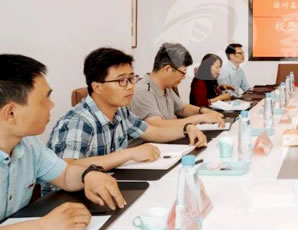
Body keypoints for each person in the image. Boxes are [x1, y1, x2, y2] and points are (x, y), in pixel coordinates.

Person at [0, 54, 126, 230]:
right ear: (10, 113)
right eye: (45, 99)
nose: (52, 105)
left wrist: (88, 175)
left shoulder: (29, 144)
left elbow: (65, 174)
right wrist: (43, 227)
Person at [46, 48, 207, 175]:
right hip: (71, 200)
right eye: (121, 80)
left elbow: (154, 132)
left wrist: (186, 129)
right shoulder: (77, 122)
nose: (130, 86)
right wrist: (129, 154)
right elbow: (67, 168)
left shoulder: (120, 112)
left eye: (131, 78)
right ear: (97, 87)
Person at [130, 43, 225, 128]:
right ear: (167, 69)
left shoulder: (167, 87)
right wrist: (200, 118)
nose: (184, 77)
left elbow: (182, 109)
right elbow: (157, 126)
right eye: (183, 72)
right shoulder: (143, 91)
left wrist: (203, 111)